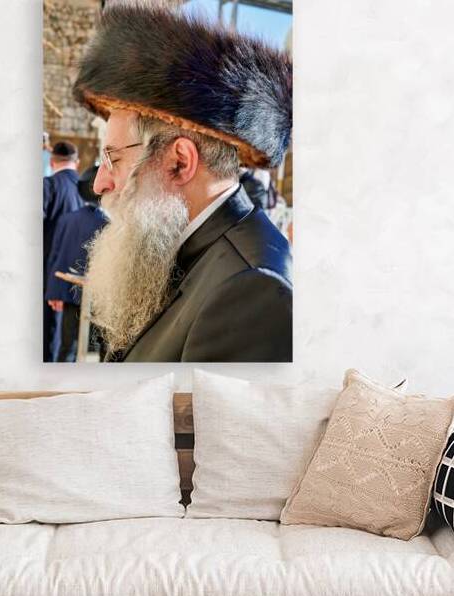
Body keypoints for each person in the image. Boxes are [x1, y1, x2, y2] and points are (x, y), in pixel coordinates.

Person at [72, 2, 292, 362]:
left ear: (179, 163)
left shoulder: (254, 291)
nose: (99, 184)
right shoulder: (180, 246)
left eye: (113, 159)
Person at [45, 185, 108, 361]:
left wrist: (53, 292)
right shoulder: (108, 223)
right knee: (95, 348)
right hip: (98, 297)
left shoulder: (67, 219)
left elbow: (56, 256)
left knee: (67, 345)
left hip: (69, 291)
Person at [43, 140, 84, 361]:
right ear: (76, 163)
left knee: (48, 340)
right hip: (79, 277)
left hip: (47, 276)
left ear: (52, 162)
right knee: (69, 342)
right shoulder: (88, 191)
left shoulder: (48, 186)